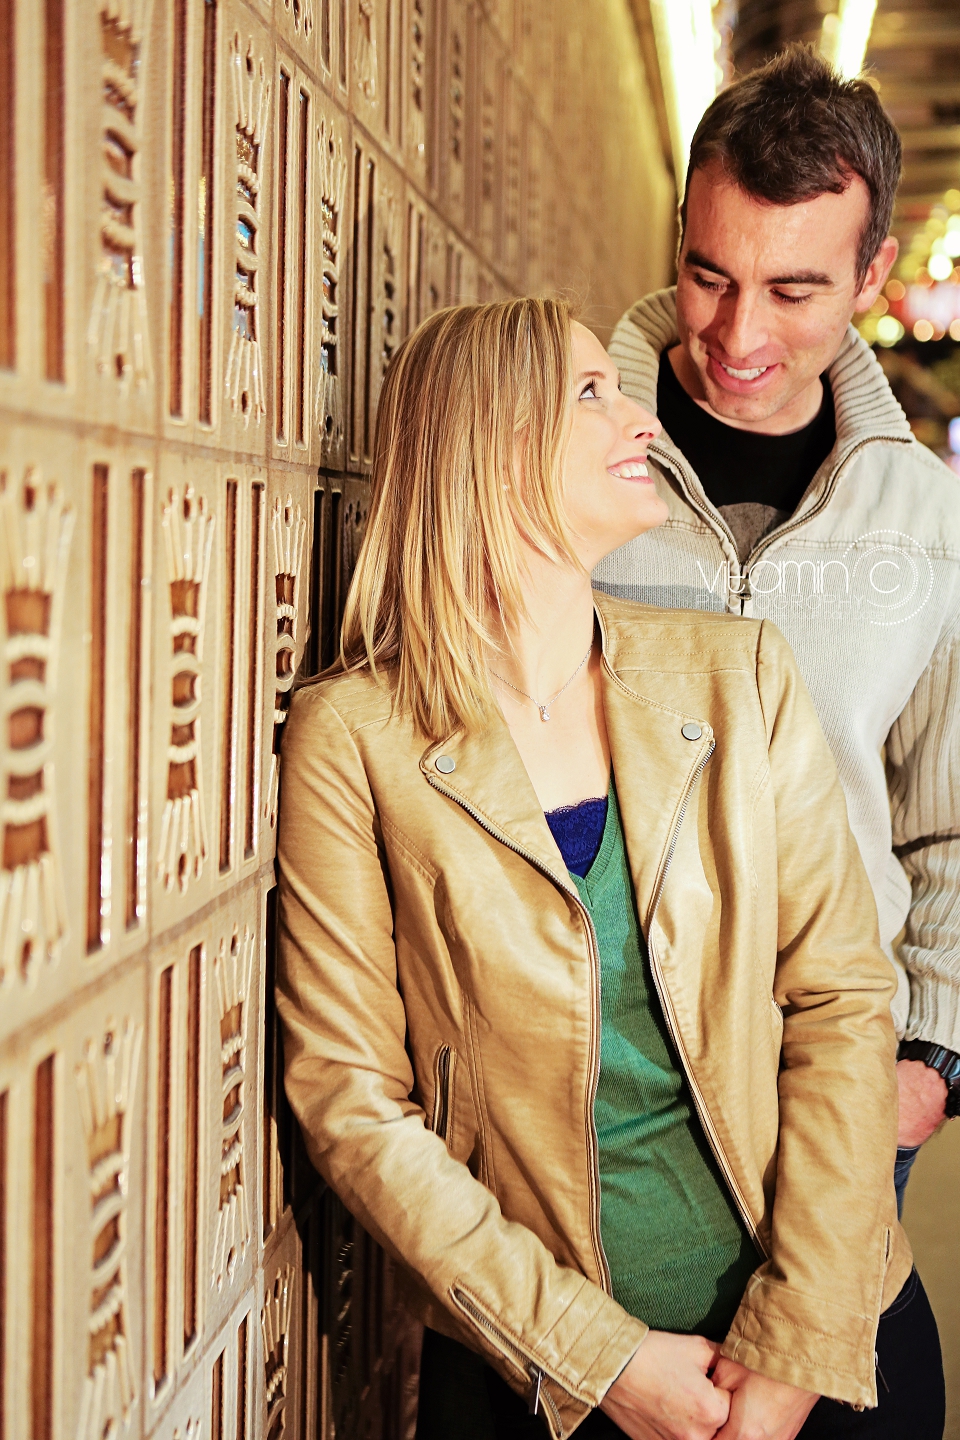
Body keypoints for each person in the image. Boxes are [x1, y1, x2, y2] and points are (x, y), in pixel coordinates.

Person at [275, 297, 936, 1440]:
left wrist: (796, 1346)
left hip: (833, 1340)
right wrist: (602, 1358)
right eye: (593, 392)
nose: (644, 419)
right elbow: (352, 1101)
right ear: (491, 440)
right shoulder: (354, 734)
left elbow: (841, 1000)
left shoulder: (741, 676)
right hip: (544, 1383)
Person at [595, 46, 960, 1222]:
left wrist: (930, 1063)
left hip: (838, 1076)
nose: (738, 334)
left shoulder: (928, 517)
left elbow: (949, 819)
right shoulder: (560, 454)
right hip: (602, 1073)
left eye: (794, 291)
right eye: (709, 276)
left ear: (871, 272)